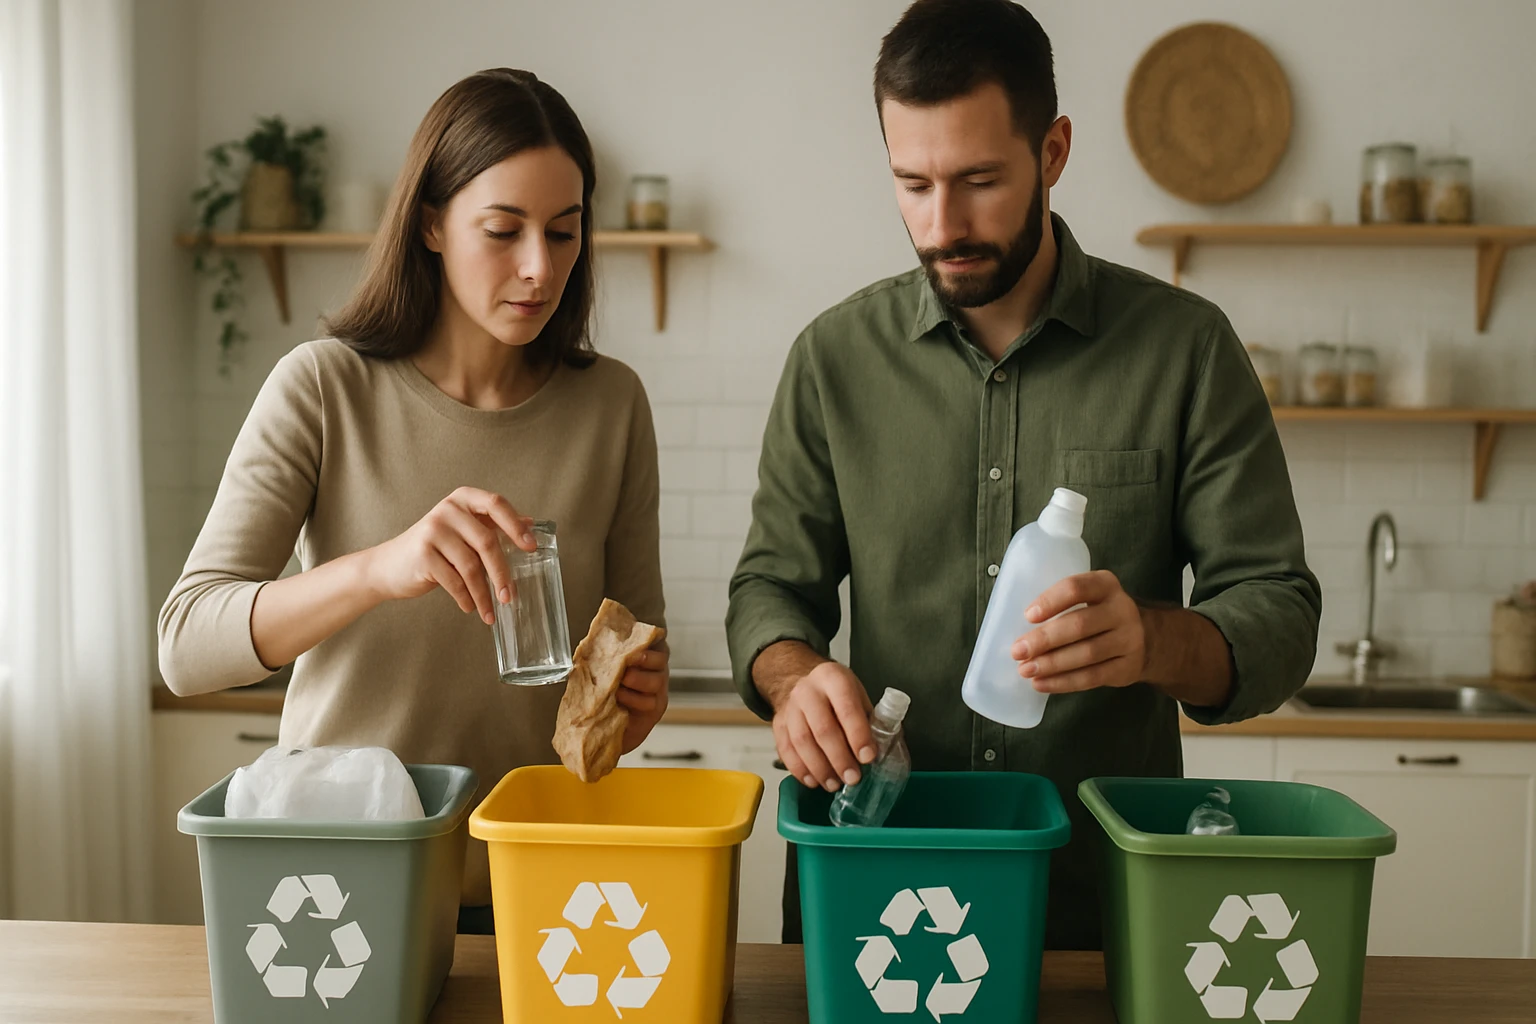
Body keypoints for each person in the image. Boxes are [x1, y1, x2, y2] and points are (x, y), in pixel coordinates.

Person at [726, 0, 1321, 950]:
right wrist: (795, 676)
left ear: (1053, 152)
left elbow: (1279, 614)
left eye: (979, 181)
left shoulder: (1186, 350)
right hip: (875, 884)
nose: (941, 224)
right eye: (911, 183)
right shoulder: (832, 359)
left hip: (1100, 900)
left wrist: (1151, 642)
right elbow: (769, 589)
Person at [159, 69, 669, 934]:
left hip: (536, 880)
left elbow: (626, 663)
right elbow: (186, 647)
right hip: (340, 874)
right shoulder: (321, 388)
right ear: (431, 221)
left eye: (565, 232)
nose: (539, 268)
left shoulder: (613, 405)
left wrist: (637, 700)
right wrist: (378, 569)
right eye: (503, 230)